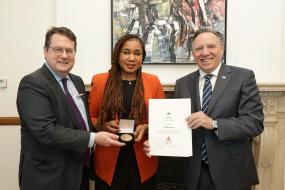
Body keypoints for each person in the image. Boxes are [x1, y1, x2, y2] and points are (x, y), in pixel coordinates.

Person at [144, 28, 264, 190]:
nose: (205, 52)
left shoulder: (243, 77)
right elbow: (178, 125)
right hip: (193, 171)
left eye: (211, 47)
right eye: (199, 49)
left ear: (221, 49)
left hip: (231, 170)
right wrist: (158, 142)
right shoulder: (183, 83)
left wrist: (213, 123)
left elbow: (254, 123)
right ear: (193, 53)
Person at [16, 26, 124, 190]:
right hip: (48, 176)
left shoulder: (77, 81)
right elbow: (46, 131)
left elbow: (79, 122)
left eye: (69, 50)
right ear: (45, 51)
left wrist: (101, 127)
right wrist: (94, 138)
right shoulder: (32, 84)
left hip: (79, 171)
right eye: (58, 49)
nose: (64, 55)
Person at [88, 33, 164, 190]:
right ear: (117, 54)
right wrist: (103, 125)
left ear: (143, 56)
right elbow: (91, 117)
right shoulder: (101, 81)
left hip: (143, 159)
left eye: (137, 53)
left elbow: (162, 120)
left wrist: (147, 127)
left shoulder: (153, 81)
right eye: (126, 52)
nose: (132, 58)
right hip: (109, 159)